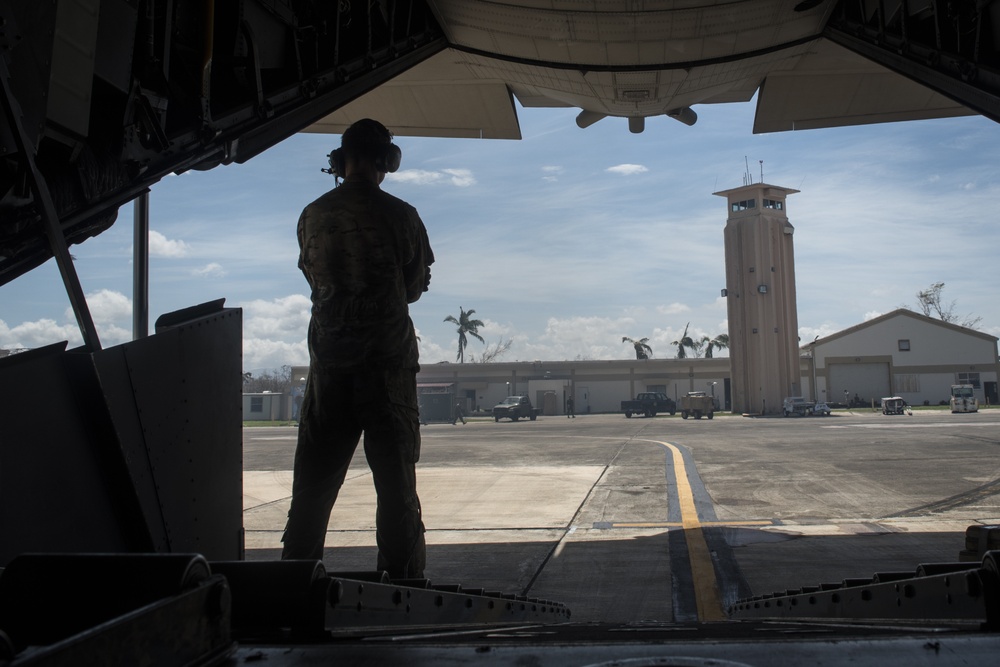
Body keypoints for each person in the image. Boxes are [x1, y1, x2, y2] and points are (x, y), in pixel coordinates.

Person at [281, 119, 434, 580]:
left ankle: (292, 584)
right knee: (396, 488)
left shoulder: (312, 214)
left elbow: (312, 276)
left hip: (330, 367)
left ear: (339, 161)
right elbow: (414, 286)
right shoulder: (402, 215)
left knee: (312, 487)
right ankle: (404, 586)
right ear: (386, 160)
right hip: (386, 369)